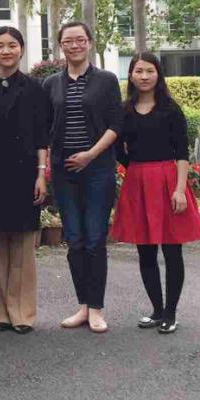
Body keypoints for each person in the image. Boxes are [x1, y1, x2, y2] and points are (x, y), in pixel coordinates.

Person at [111, 53, 200, 334]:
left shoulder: (170, 109)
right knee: (145, 251)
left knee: (172, 250)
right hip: (137, 181)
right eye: (138, 71)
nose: (144, 76)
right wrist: (134, 168)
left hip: (168, 182)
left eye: (149, 71)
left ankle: (171, 313)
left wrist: (179, 189)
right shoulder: (125, 110)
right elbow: (117, 148)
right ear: (131, 75)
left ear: (158, 74)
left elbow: (182, 151)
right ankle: (156, 310)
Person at [43, 22, 123, 334]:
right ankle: (83, 306)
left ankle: (97, 308)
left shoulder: (106, 80)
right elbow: (45, 127)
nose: (74, 45)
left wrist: (90, 154)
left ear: (89, 43)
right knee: (75, 240)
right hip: (65, 172)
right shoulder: (52, 83)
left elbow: (116, 124)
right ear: (60, 45)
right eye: (68, 41)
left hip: (98, 170)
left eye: (80, 40)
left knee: (94, 239)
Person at [0, 26, 49, 335]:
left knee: (23, 246)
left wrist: (41, 174)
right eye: (0, 45)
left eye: (12, 45)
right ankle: (1, 312)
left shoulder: (35, 88)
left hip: (24, 174)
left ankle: (23, 313)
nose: (6, 51)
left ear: (21, 49)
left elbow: (42, 136)